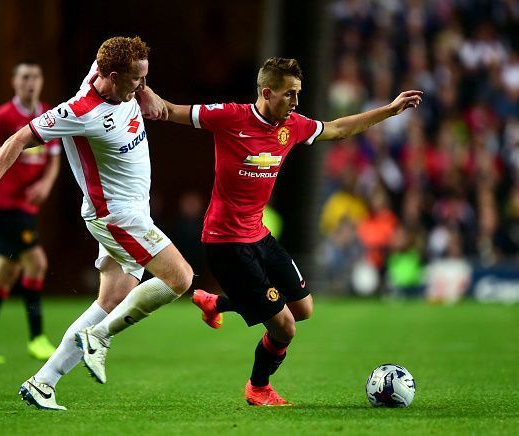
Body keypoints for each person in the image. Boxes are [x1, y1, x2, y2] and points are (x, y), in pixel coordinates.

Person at [163, 57, 422, 406]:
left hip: (259, 235)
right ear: (267, 93)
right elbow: (172, 111)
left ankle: (218, 303)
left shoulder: (293, 126)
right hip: (226, 244)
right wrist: (140, 93)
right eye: (289, 95)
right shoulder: (229, 117)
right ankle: (258, 388)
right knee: (284, 326)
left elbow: (338, 128)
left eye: (298, 94)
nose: (296, 103)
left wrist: (388, 111)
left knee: (303, 309)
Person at [0, 36, 193, 411]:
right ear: (113, 76)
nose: (140, 87)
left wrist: (146, 90)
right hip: (117, 215)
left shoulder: (111, 75)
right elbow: (18, 139)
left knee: (111, 299)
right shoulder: (79, 111)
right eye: (136, 80)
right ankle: (99, 337)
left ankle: (43, 383)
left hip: (132, 212)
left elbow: (122, 60)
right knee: (179, 278)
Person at [0, 61, 61, 363]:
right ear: (14, 82)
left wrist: (45, 183)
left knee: (6, 274)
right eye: (25, 77)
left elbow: (54, 157)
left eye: (35, 76)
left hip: (27, 207)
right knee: (37, 263)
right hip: (8, 204)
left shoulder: (48, 114)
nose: (31, 82)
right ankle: (37, 338)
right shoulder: (1, 117)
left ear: (41, 81)